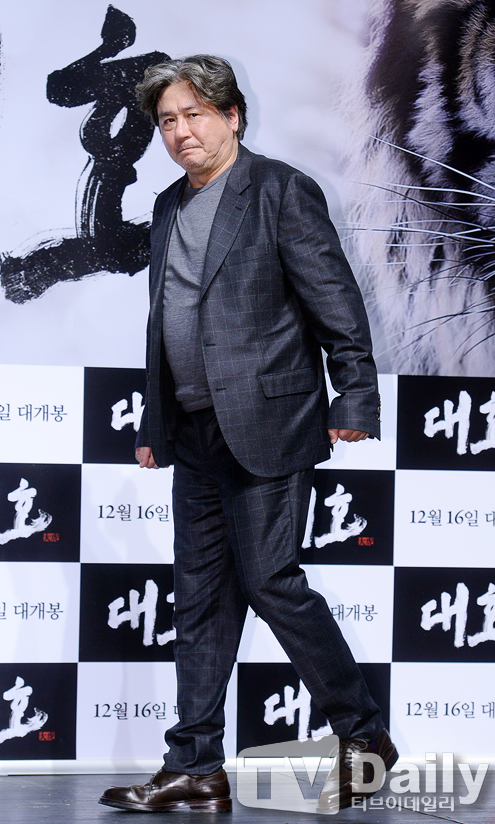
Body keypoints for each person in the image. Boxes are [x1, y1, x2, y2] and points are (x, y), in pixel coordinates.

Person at [99, 54, 397, 814]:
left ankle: (365, 738)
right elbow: (166, 321)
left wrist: (355, 397)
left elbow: (337, 302)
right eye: (167, 120)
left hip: (270, 421)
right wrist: (155, 422)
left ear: (232, 116)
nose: (181, 131)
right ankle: (195, 766)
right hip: (194, 432)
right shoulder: (168, 206)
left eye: (195, 114)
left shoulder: (280, 190)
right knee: (198, 599)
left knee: (270, 582)